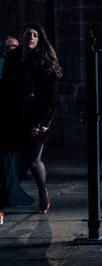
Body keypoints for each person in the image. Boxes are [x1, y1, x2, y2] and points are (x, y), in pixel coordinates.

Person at [0, 23, 62, 225]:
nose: (31, 37)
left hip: (37, 118)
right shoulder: (13, 58)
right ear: (22, 36)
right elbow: (6, 87)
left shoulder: (45, 61)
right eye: (28, 34)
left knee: (34, 161)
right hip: (14, 117)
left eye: (35, 35)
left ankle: (42, 190)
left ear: (39, 39)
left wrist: (44, 123)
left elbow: (51, 97)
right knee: (6, 160)